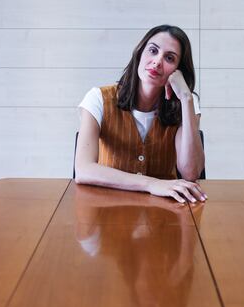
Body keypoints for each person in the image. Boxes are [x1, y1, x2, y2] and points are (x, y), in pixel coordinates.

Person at [75, 24, 207, 203]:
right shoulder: (98, 99)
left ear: (178, 71)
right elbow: (83, 170)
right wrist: (151, 184)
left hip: (166, 213)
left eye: (169, 58)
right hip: (107, 208)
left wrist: (186, 98)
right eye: (153, 51)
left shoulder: (185, 105)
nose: (157, 61)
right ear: (140, 53)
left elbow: (190, 172)